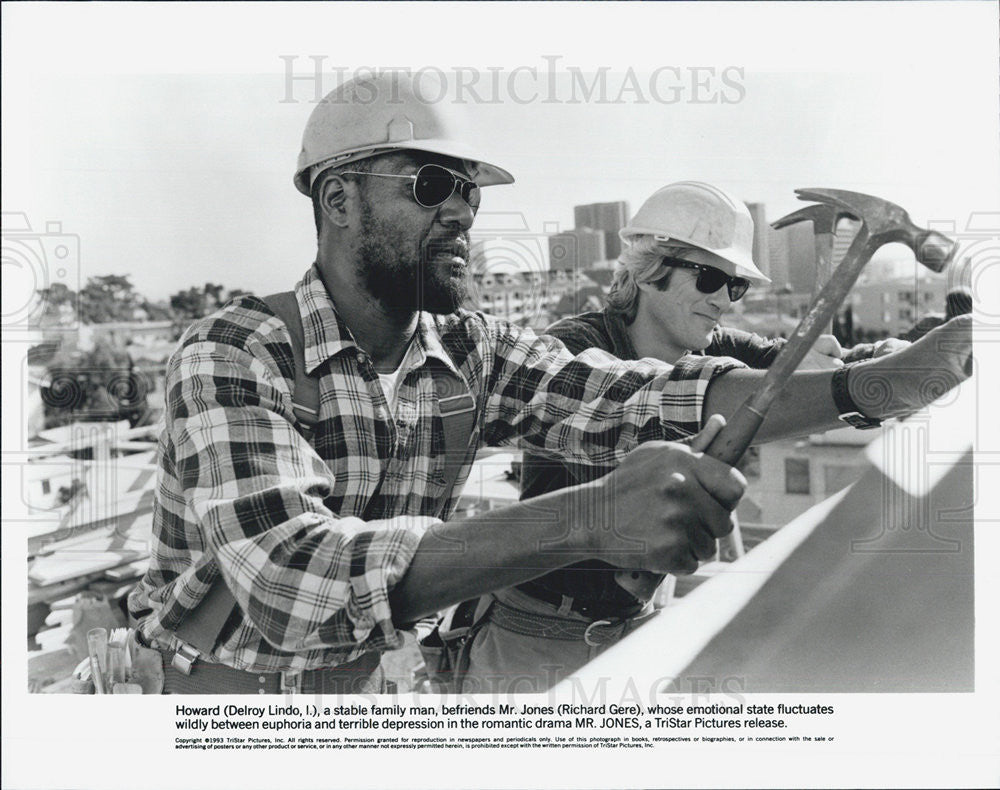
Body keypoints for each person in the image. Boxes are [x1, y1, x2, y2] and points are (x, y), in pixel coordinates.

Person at [128, 74, 970, 694]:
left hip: (362, 693)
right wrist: (590, 518)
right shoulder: (233, 353)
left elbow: (641, 399)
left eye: (467, 193)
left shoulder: (470, 351)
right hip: (222, 707)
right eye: (431, 185)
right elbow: (290, 583)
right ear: (338, 199)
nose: (461, 212)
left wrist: (881, 383)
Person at [460, 181, 957, 693]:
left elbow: (813, 374)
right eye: (710, 278)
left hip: (643, 629)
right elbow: (632, 426)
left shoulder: (717, 344)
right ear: (650, 270)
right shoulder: (576, 346)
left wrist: (913, 358)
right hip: (538, 638)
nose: (723, 299)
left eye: (735, 285)